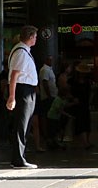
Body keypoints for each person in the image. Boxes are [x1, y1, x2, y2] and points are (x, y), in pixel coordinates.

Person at [7, 25, 40, 169]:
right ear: (31, 37)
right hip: (23, 90)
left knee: (24, 124)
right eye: (35, 36)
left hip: (27, 90)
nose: (36, 39)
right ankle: (18, 158)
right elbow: (14, 75)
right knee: (21, 124)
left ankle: (20, 156)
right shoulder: (21, 52)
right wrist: (12, 96)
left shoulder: (23, 50)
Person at [38, 55, 60, 149]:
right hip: (47, 98)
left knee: (51, 118)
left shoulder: (49, 70)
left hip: (51, 96)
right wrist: (49, 95)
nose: (51, 61)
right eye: (50, 59)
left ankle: (51, 136)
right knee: (48, 117)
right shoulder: (45, 70)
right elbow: (45, 83)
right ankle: (47, 136)